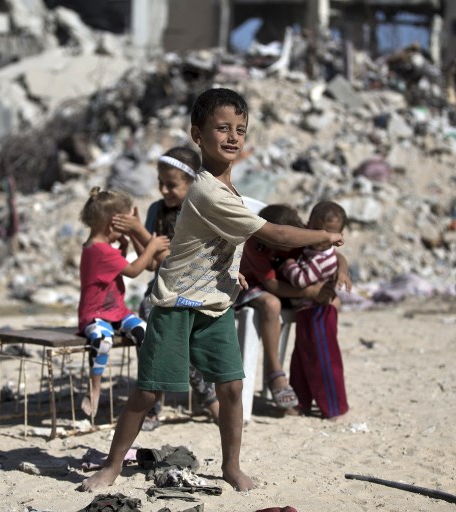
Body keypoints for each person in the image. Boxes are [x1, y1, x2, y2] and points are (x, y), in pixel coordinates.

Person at [81, 87, 343, 493]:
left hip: (216, 305)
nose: (233, 137)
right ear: (197, 135)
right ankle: (112, 466)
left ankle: (231, 467)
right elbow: (273, 232)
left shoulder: (231, 192)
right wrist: (321, 236)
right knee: (148, 392)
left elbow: (220, 244)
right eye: (222, 128)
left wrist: (232, 271)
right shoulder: (205, 189)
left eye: (240, 129)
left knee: (233, 387)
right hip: (177, 304)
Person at [113, 146, 220, 430]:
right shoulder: (156, 211)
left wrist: (138, 230)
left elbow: (171, 259)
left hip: (194, 289)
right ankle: (154, 403)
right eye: (160, 183)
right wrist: (136, 233)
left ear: (191, 183)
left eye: (171, 185)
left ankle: (206, 399)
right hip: (161, 289)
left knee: (171, 330)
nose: (164, 190)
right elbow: (150, 263)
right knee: (149, 322)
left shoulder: (197, 211)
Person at [77, 187, 170, 418]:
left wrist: (124, 246)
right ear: (113, 225)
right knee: (103, 339)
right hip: (95, 314)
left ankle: (147, 388)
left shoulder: (99, 246)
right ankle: (94, 388)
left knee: (143, 332)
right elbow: (134, 270)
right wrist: (152, 246)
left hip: (116, 311)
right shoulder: (101, 251)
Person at [236, 204, 336, 410]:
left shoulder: (301, 234)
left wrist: (342, 271)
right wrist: (310, 292)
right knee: (272, 304)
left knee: (333, 302)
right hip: (251, 285)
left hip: (290, 284)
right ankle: (275, 373)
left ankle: (312, 373)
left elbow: (331, 253)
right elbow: (271, 285)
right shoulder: (256, 242)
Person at [280, 200, 351, 419]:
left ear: (338, 235)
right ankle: (301, 402)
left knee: (322, 358)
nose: (322, 239)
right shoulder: (311, 250)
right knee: (302, 358)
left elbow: (301, 280)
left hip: (319, 313)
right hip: (307, 313)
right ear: (308, 226)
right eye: (317, 232)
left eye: (328, 234)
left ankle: (333, 406)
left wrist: (287, 264)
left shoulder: (322, 257)